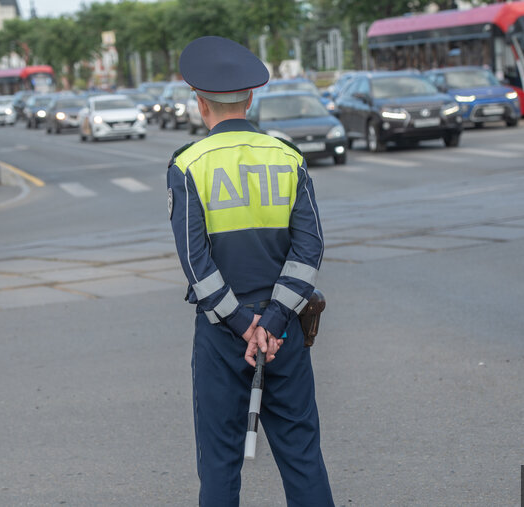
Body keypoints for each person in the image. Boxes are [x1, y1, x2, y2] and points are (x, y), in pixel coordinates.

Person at [167, 36, 334, 507]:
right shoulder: (288, 157)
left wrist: (244, 326)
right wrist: (274, 323)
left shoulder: (187, 166)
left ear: (201, 104)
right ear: (251, 98)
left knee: (220, 464)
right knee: (302, 456)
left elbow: (196, 265)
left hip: (223, 335)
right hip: (285, 334)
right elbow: (309, 248)